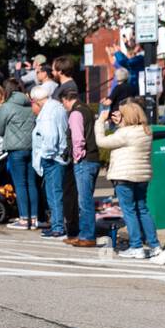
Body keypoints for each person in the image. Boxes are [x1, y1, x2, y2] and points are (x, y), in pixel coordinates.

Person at [95, 99, 159, 258]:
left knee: (129, 211)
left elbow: (101, 141)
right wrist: (121, 123)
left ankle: (136, 246)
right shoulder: (146, 130)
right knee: (142, 209)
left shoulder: (124, 133)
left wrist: (100, 121)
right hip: (142, 176)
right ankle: (154, 245)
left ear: (127, 117)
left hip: (124, 176)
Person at [0, 80, 37, 230]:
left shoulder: (7, 106)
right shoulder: (31, 105)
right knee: (31, 183)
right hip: (32, 147)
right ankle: (34, 217)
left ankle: (24, 219)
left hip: (15, 148)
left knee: (20, 184)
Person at [60, 84, 100, 247]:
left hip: (84, 160)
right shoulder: (87, 109)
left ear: (66, 99)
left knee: (84, 201)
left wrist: (77, 157)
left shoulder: (75, 113)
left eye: (63, 102)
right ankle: (84, 233)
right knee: (86, 199)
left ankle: (87, 235)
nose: (63, 106)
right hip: (94, 158)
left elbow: (78, 139)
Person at [31, 81, 69, 239]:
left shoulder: (46, 114)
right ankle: (57, 225)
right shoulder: (57, 106)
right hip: (58, 156)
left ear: (36, 101)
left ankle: (58, 227)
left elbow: (50, 136)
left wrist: (46, 155)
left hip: (52, 158)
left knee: (53, 194)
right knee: (56, 193)